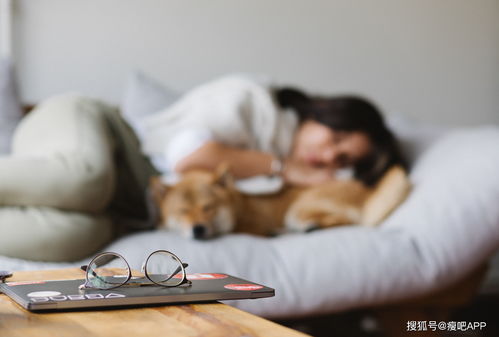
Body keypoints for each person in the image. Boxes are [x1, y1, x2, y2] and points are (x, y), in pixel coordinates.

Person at [0, 74, 405, 262]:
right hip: (100, 136)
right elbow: (189, 157)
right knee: (86, 181)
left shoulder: (279, 182)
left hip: (125, 207)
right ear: (321, 111)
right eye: (334, 140)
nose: (328, 158)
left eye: (343, 160)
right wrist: (285, 167)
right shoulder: (255, 104)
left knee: (76, 237)